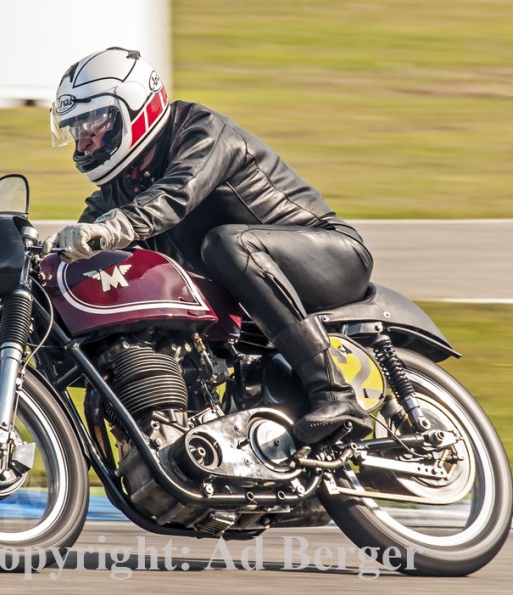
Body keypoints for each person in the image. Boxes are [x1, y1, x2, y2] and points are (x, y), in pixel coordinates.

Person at [44, 47, 374, 445]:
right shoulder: (119, 186)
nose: (85, 139)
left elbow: (177, 193)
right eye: (75, 128)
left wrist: (114, 227)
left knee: (226, 243)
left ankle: (334, 393)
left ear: (133, 107)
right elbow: (89, 239)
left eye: (92, 122)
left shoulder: (201, 131)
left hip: (328, 255)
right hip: (251, 295)